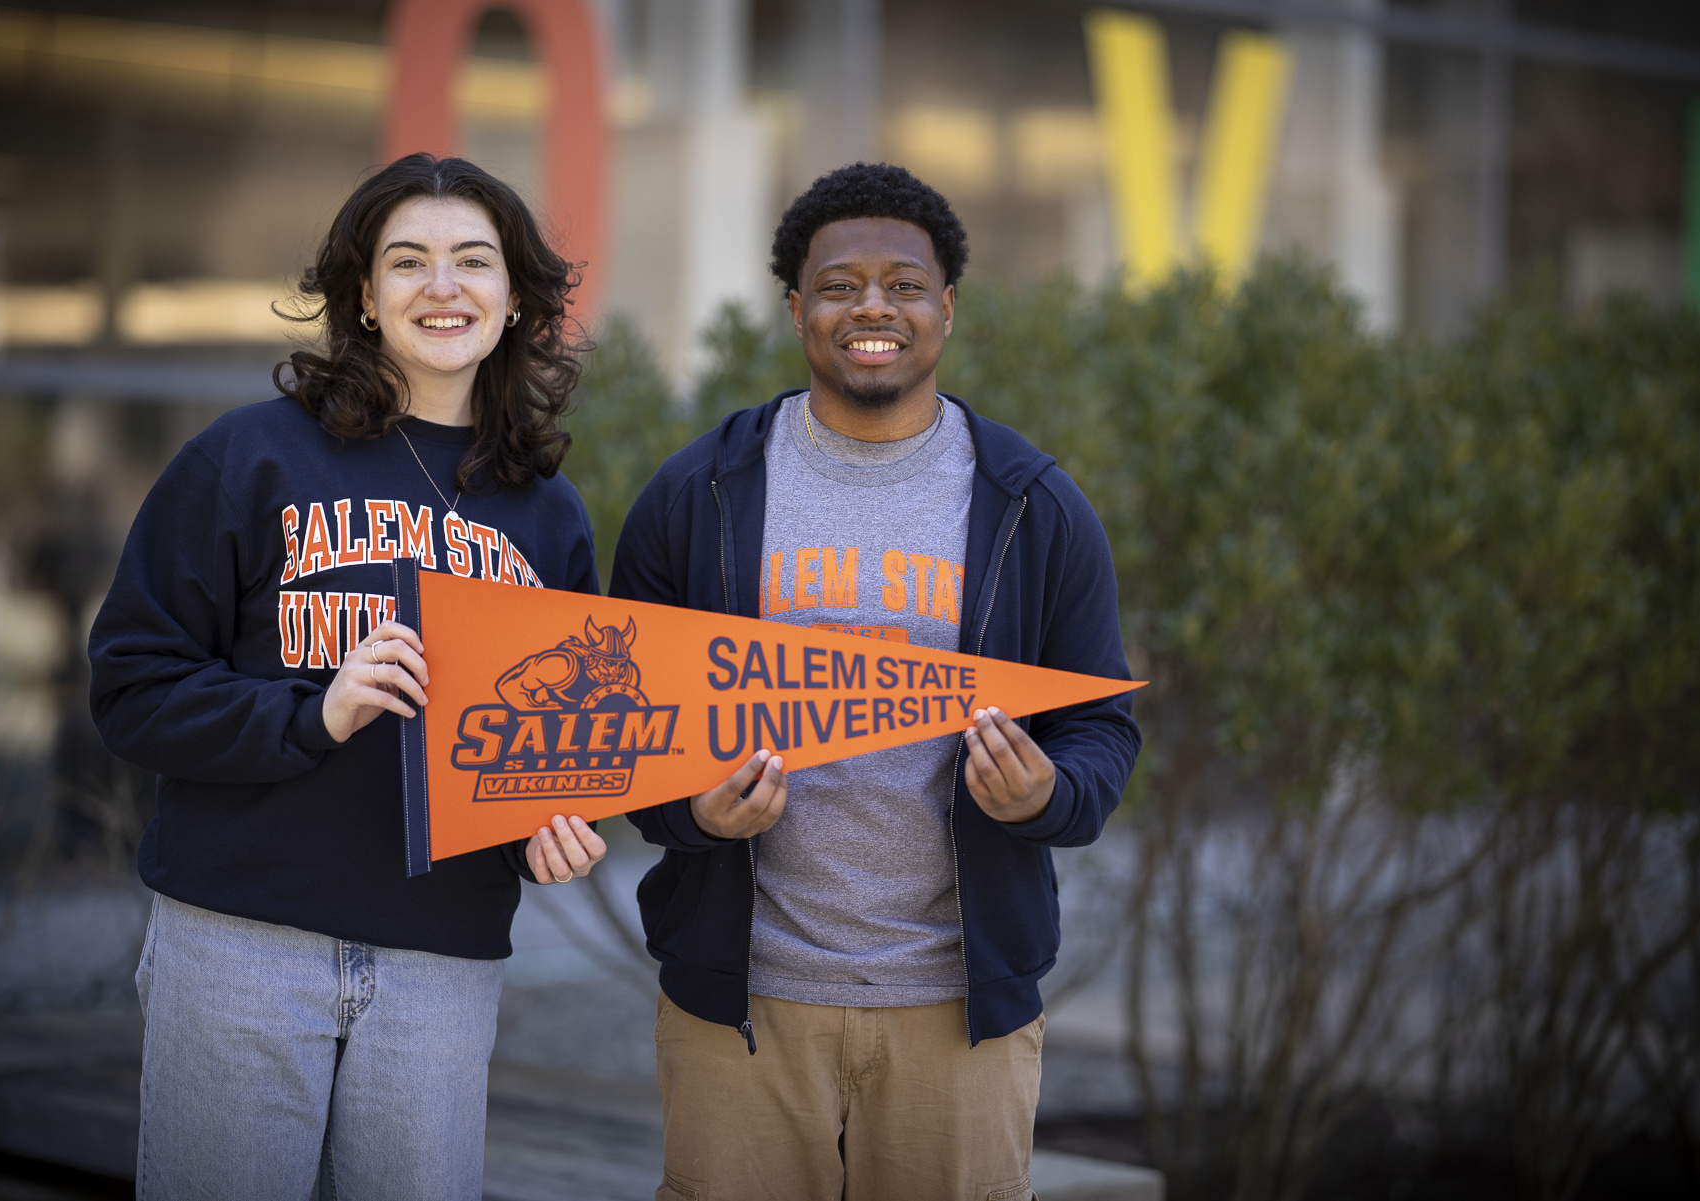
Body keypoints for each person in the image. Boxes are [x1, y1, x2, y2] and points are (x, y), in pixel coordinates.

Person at [610, 162, 1142, 1201]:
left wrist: (1047, 796)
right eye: (841, 283)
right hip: (745, 1005)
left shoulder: (1035, 506)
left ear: (946, 307)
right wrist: (693, 810)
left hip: (960, 1008)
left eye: (904, 284)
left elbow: (1102, 730)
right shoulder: (696, 496)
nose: (873, 307)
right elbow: (622, 735)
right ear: (796, 307)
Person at [88, 153, 608, 1201]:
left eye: (474, 261)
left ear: (515, 300)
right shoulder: (248, 459)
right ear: (365, 296)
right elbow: (130, 686)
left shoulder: (548, 516)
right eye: (407, 261)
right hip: (243, 944)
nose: (443, 286)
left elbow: (545, 749)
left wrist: (550, 823)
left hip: (441, 960)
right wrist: (313, 711)